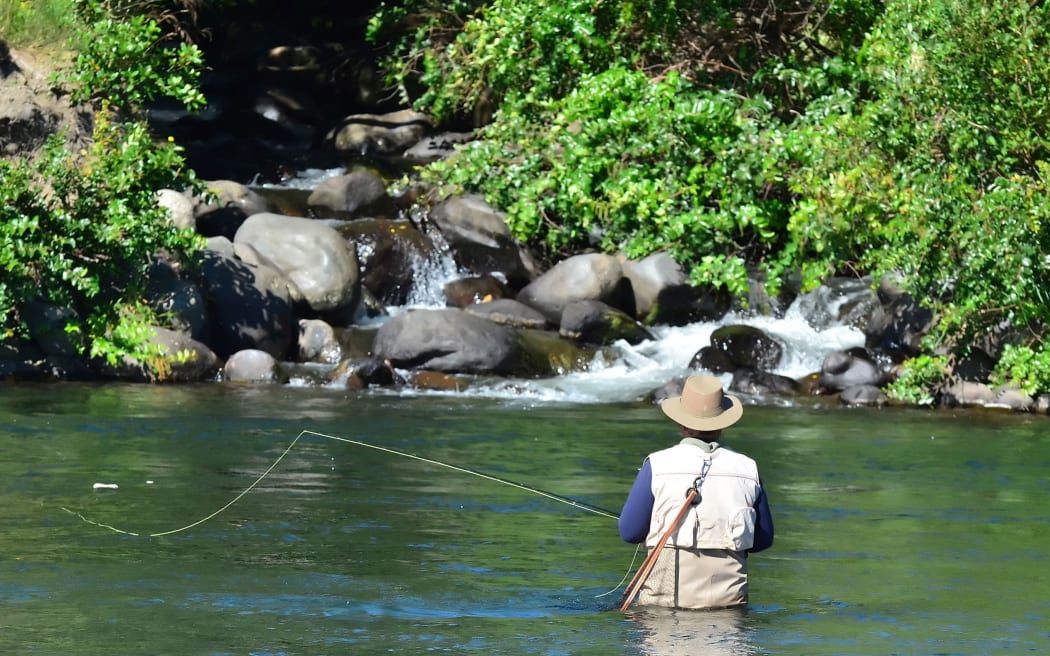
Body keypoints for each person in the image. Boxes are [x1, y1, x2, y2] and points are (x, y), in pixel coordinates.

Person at [618, 374, 774, 609]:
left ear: (681, 423)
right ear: (723, 424)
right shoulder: (748, 468)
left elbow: (629, 532)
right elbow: (763, 540)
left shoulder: (657, 465)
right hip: (729, 610)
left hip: (664, 607)